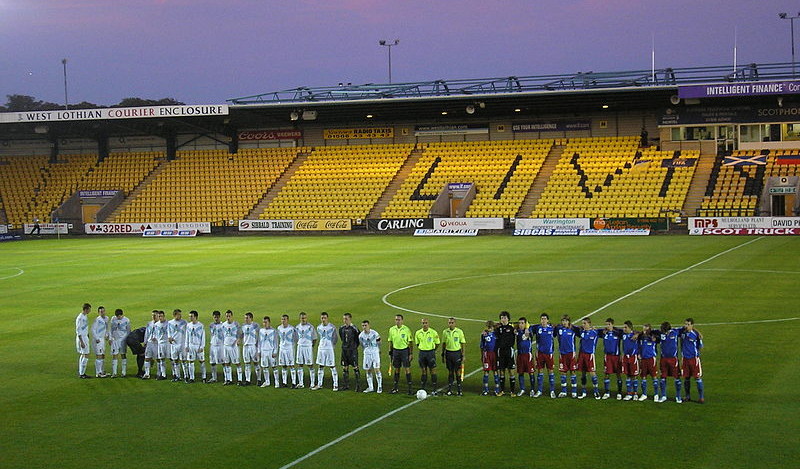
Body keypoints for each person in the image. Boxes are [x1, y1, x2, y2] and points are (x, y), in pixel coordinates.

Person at [598, 318, 624, 400]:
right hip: (607, 357)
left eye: (609, 324)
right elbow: (594, 330)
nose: (607, 326)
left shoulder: (618, 333)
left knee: (618, 374)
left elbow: (631, 332)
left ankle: (619, 393)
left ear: (612, 324)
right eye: (606, 324)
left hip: (616, 357)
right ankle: (607, 393)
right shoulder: (603, 333)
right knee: (606, 374)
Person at [554, 314, 580, 398]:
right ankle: (564, 391)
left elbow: (581, 331)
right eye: (563, 321)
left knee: (572, 371)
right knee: (563, 372)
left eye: (566, 321)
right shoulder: (559, 328)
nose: (564, 322)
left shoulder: (573, 329)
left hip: (571, 354)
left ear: (569, 321)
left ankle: (574, 392)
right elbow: (553, 332)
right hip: (562, 353)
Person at [387, 314, 414, 395]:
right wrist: (390, 351)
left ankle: (410, 389)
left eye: (399, 320)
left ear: (402, 320)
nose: (397, 321)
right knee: (397, 369)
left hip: (404, 351)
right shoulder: (392, 329)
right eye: (396, 320)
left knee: (407, 369)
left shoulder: (406, 329)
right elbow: (390, 341)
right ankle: (395, 388)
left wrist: (411, 353)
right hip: (396, 351)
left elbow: (410, 342)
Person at [680, 318, 704, 404]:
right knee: (686, 378)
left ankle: (701, 397)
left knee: (697, 378)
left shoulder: (696, 334)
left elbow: (700, 346)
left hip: (694, 359)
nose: (686, 326)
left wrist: (696, 353)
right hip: (685, 359)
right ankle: (687, 396)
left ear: (692, 325)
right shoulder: (682, 332)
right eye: (685, 324)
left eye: (688, 324)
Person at [657, 321, 683, 403]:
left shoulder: (675, 332)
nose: (663, 332)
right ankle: (663, 396)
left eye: (664, 331)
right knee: (663, 378)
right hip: (663, 359)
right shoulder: (659, 333)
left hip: (673, 359)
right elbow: (648, 331)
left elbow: (687, 328)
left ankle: (678, 396)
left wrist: (697, 332)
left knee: (677, 378)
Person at [531, 313, 556, 398]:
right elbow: (530, 328)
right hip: (540, 354)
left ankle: (552, 391)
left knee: (550, 372)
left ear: (548, 320)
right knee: (540, 372)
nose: (543, 320)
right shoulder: (537, 328)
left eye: (545, 319)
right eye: (542, 319)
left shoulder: (552, 328)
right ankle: (539, 390)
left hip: (549, 354)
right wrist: (528, 330)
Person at [414, 317, 440, 395]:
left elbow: (437, 343)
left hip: (430, 353)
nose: (424, 324)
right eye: (423, 323)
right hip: (422, 353)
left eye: (426, 323)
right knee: (423, 371)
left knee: (432, 370)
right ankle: (423, 388)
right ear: (421, 324)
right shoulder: (418, 333)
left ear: (428, 323)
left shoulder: (433, 332)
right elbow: (417, 343)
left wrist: (433, 350)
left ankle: (434, 390)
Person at [576, 317, 601, 399]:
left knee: (592, 373)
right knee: (583, 374)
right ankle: (583, 392)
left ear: (589, 324)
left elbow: (608, 330)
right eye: (582, 323)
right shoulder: (581, 331)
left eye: (584, 323)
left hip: (590, 355)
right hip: (582, 355)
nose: (583, 325)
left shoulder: (595, 332)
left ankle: (596, 392)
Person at [314, 312, 338, 390]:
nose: (323, 319)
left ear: (327, 318)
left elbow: (335, 338)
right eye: (322, 318)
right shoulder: (318, 327)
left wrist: (332, 346)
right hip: (321, 348)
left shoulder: (332, 327)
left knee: (332, 366)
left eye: (324, 318)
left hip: (329, 349)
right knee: (320, 366)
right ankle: (319, 384)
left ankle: (335, 385)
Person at [442, 317, 466, 396]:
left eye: (452, 323)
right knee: (450, 371)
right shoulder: (445, 332)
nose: (451, 324)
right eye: (449, 323)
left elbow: (463, 343)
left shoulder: (459, 332)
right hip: (448, 353)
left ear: (455, 323)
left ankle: (459, 390)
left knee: (457, 371)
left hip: (457, 353)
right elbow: (444, 343)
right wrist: (443, 354)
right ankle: (450, 389)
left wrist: (463, 355)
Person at [495, 311, 516, 396]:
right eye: (502, 318)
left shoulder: (511, 329)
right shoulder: (498, 329)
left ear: (508, 319)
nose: (503, 319)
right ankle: (502, 391)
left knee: (511, 371)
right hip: (501, 352)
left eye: (505, 318)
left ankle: (512, 391)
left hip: (509, 351)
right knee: (502, 372)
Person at [339, 312, 361, 391]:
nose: (345, 320)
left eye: (346, 319)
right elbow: (342, 338)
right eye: (344, 319)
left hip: (352, 351)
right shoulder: (341, 328)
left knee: (355, 368)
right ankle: (346, 385)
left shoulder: (354, 328)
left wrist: (354, 347)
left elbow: (359, 339)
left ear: (350, 319)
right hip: (344, 351)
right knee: (345, 367)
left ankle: (358, 386)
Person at [359, 320, 383, 393]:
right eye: (363, 326)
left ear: (369, 325)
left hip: (375, 353)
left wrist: (377, 349)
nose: (364, 327)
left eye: (365, 325)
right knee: (368, 370)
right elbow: (362, 345)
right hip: (367, 354)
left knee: (376, 369)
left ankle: (379, 386)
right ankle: (370, 387)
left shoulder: (375, 333)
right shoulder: (361, 335)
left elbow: (379, 342)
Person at [295, 312, 317, 389]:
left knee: (310, 365)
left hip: (308, 347)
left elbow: (314, 338)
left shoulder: (310, 327)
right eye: (302, 318)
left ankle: (312, 383)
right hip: (300, 347)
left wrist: (311, 346)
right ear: (299, 318)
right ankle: (301, 383)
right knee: (300, 364)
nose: (303, 319)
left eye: (304, 318)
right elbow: (296, 338)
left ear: (306, 318)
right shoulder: (297, 327)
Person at [221, 310, 243, 386]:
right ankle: (229, 379)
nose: (228, 317)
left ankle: (240, 380)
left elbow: (241, 333)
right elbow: (222, 335)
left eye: (229, 316)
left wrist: (239, 339)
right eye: (227, 316)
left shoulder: (236, 324)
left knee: (237, 363)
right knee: (227, 363)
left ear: (232, 316)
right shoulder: (223, 325)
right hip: (226, 346)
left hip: (234, 346)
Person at [638, 324, 659, 402]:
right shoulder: (641, 337)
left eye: (646, 329)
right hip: (643, 359)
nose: (644, 330)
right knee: (643, 377)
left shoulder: (653, 336)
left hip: (651, 359)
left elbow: (658, 336)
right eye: (643, 329)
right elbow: (639, 346)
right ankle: (644, 394)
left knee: (654, 377)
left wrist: (653, 338)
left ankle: (656, 394)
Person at [514, 317, 535, 397]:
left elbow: (532, 327)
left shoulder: (529, 331)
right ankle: (522, 389)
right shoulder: (517, 331)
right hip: (520, 355)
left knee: (531, 373)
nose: (520, 324)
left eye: (522, 323)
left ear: (525, 324)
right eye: (519, 323)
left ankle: (532, 389)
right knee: (520, 373)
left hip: (528, 355)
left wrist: (527, 327)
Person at [277, 314, 298, 388]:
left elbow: (296, 338)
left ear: (287, 320)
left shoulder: (292, 329)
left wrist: (292, 346)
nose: (283, 321)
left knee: (291, 365)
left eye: (284, 319)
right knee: (284, 366)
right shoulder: (279, 328)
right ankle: (284, 382)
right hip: (282, 349)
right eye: (282, 319)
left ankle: (294, 383)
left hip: (289, 349)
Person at [479, 320, 500, 396]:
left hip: (494, 355)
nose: (489, 329)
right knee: (486, 372)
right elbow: (481, 346)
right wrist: (482, 356)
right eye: (488, 327)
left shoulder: (496, 334)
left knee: (495, 371)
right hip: (486, 355)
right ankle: (485, 390)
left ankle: (497, 390)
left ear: (493, 327)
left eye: (490, 327)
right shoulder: (484, 335)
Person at [621, 320, 640, 401]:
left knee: (634, 376)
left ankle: (635, 393)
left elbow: (643, 333)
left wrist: (638, 334)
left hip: (633, 357)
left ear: (630, 328)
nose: (624, 329)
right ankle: (629, 393)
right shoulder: (624, 335)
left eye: (625, 327)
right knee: (627, 375)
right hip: (626, 357)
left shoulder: (635, 335)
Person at [185, 310, 206, 383]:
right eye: (189, 316)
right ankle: (192, 378)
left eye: (191, 316)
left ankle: (204, 377)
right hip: (191, 346)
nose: (190, 318)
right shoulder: (188, 325)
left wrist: (202, 347)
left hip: (198, 346)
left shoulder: (201, 325)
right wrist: (186, 345)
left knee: (202, 362)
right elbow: (187, 336)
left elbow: (203, 337)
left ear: (196, 317)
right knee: (191, 362)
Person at [167, 309, 188, 382]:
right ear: (174, 315)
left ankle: (186, 376)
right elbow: (168, 332)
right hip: (174, 344)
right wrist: (169, 337)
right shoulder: (170, 323)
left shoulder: (184, 322)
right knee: (175, 360)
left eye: (180, 314)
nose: (180, 316)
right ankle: (177, 376)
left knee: (183, 360)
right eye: (179, 314)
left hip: (182, 344)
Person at [258, 316, 279, 388]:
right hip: (263, 351)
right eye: (263, 322)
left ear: (269, 322)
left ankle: (277, 382)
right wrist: (259, 351)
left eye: (266, 322)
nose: (264, 324)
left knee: (274, 367)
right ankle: (267, 382)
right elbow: (259, 342)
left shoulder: (273, 331)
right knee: (264, 367)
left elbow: (276, 342)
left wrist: (275, 351)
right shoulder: (261, 331)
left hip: (271, 351)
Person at [109, 308, 131, 378]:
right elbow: (111, 329)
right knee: (114, 355)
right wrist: (110, 338)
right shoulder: (113, 319)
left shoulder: (126, 320)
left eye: (119, 316)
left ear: (122, 315)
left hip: (123, 340)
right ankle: (114, 373)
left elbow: (128, 331)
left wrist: (126, 339)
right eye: (117, 316)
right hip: (115, 340)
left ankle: (123, 372)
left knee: (123, 355)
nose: (118, 317)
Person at [91, 306, 111, 378]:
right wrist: (96, 338)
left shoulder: (107, 318)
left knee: (102, 355)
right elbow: (93, 329)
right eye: (101, 312)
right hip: (98, 340)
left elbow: (107, 328)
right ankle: (98, 373)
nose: (102, 313)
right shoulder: (97, 320)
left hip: (103, 339)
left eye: (103, 311)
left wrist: (107, 335)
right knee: (99, 355)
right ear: (98, 313)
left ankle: (102, 371)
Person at [241, 312, 260, 385]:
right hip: (245, 347)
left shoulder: (255, 325)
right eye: (245, 318)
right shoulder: (243, 326)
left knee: (256, 363)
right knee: (247, 364)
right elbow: (242, 334)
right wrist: (239, 339)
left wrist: (258, 348)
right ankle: (248, 380)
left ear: (251, 318)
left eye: (247, 318)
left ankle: (259, 379)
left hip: (253, 346)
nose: (245, 319)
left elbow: (259, 336)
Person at [207, 310, 224, 383]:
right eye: (214, 317)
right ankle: (214, 378)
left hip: (220, 345)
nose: (216, 319)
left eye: (217, 317)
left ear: (219, 317)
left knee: (224, 362)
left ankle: (227, 378)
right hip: (213, 345)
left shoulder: (223, 325)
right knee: (212, 362)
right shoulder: (211, 325)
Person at [142, 310, 159, 380]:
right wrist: (145, 342)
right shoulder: (149, 323)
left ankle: (159, 373)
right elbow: (147, 333)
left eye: (155, 315)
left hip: (157, 344)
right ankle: (147, 373)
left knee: (158, 359)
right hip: (149, 343)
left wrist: (157, 339)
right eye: (153, 315)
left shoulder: (161, 324)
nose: (154, 317)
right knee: (147, 358)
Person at [75, 303, 91, 379]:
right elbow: (78, 330)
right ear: (86, 309)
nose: (90, 311)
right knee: (86, 354)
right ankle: (82, 373)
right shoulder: (80, 318)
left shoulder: (85, 316)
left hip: (85, 337)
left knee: (83, 354)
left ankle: (81, 372)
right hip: (82, 338)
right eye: (89, 309)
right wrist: (81, 341)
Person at [154, 311, 169, 380]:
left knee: (172, 359)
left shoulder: (168, 323)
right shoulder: (156, 324)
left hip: (167, 343)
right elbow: (156, 333)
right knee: (161, 359)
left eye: (161, 316)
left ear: (164, 316)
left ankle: (175, 374)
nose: (160, 318)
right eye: (159, 316)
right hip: (160, 344)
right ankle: (163, 375)